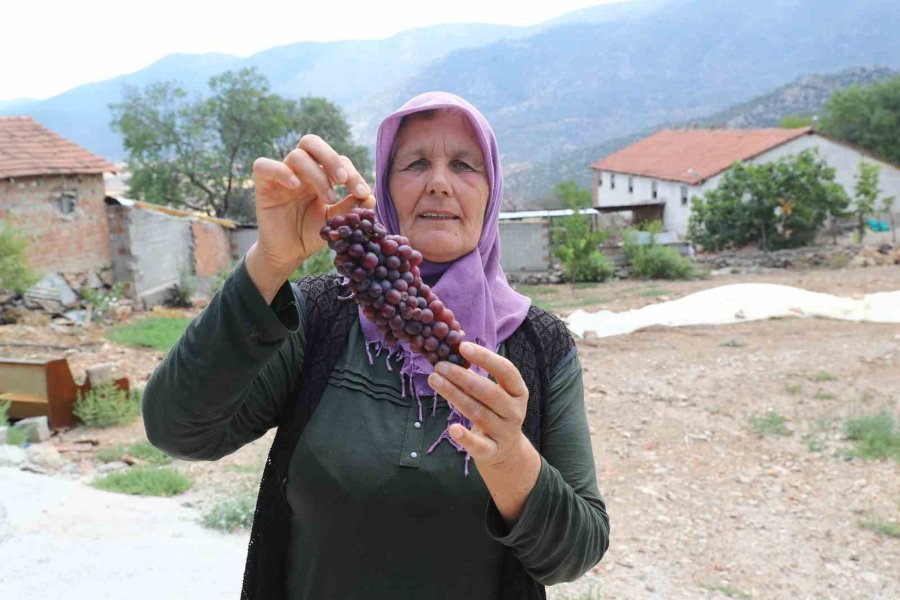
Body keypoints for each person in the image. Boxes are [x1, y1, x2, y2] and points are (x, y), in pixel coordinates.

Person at [143, 91, 609, 600]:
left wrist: (509, 460)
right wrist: (270, 261)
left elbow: (574, 555)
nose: (438, 182)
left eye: (463, 165)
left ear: (491, 191)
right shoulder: (320, 315)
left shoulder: (537, 345)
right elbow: (179, 431)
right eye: (414, 163)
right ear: (385, 186)